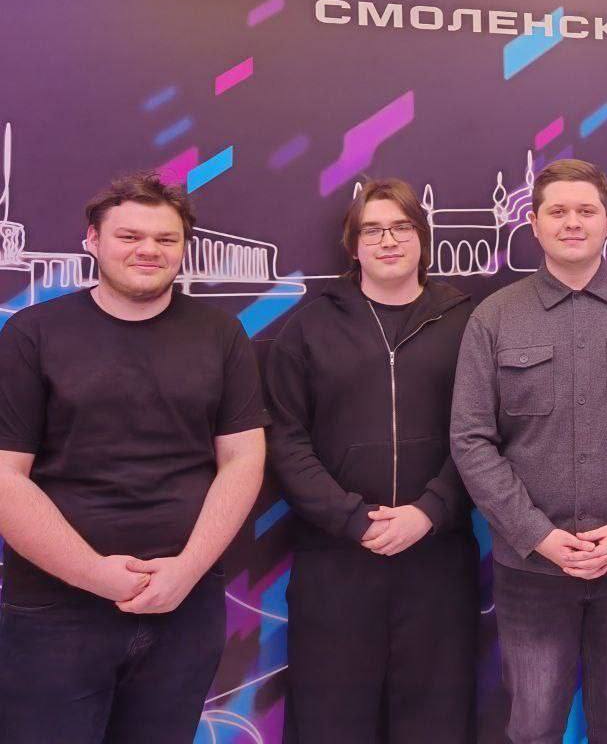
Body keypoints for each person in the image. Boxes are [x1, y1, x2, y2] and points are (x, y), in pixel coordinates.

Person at [0, 172, 267, 744]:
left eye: (166, 239)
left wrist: (187, 569)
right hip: (56, 610)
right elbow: (5, 477)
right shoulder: (31, 335)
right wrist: (94, 574)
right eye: (129, 236)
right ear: (92, 241)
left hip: (185, 606)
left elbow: (244, 459)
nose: (148, 249)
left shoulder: (221, 333)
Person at [451, 159, 607, 744]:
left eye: (586, 210)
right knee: (533, 728)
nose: (572, 222)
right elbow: (471, 438)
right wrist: (536, 534)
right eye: (557, 211)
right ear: (533, 224)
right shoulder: (493, 318)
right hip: (532, 569)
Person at [266, 177, 478, 743]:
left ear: (423, 238)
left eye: (402, 227)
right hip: (336, 563)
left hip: (437, 561)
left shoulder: (467, 322)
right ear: (353, 245)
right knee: (331, 725)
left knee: (436, 726)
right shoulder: (309, 327)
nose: (388, 240)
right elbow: (285, 439)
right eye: (373, 229)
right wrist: (351, 518)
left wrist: (431, 510)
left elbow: (487, 434)